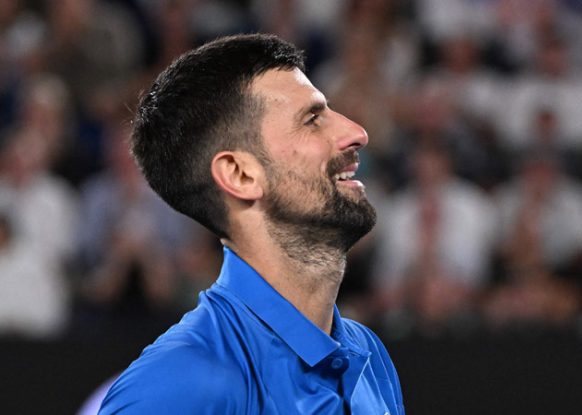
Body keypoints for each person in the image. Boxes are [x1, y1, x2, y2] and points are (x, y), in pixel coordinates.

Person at [98, 34, 404, 414]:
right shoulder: (176, 385)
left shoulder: (369, 354)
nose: (356, 132)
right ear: (240, 175)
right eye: (312, 120)